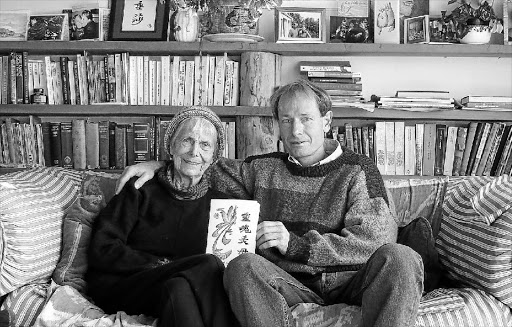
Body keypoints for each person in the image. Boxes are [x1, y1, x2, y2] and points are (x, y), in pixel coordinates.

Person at [115, 79, 424, 327]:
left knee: (400, 257)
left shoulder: (358, 169)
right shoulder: (262, 168)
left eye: (305, 119)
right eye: (286, 120)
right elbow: (203, 164)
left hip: (352, 280)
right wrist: (159, 164)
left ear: (326, 121)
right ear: (277, 125)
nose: (296, 130)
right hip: (289, 282)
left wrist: (297, 245)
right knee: (241, 266)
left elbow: (376, 238)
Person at [86, 106, 239, 327]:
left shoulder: (224, 207)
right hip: (125, 285)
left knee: (179, 287)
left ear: (214, 157)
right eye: (187, 141)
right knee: (208, 264)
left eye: (205, 145)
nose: (195, 151)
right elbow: (103, 248)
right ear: (171, 146)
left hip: (175, 289)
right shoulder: (140, 188)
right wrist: (159, 265)